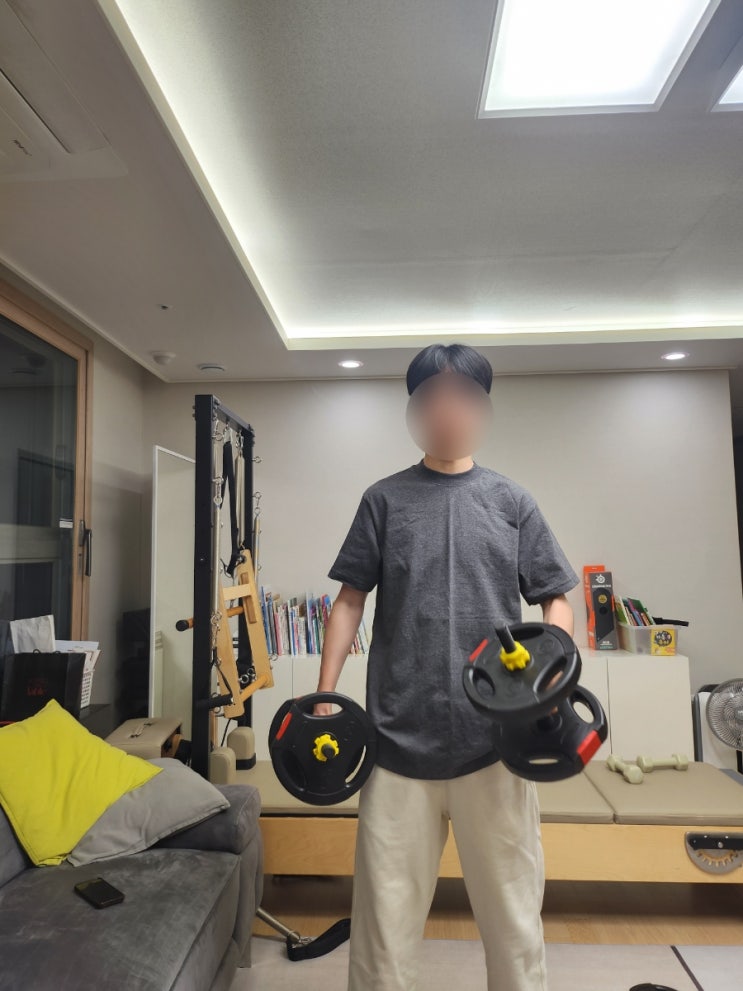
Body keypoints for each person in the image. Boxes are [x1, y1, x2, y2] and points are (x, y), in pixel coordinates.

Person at [316, 343, 579, 991]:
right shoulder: (383, 499)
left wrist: (546, 679)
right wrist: (324, 695)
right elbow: (349, 600)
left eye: (462, 396)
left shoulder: (510, 500)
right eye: (432, 396)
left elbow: (556, 598)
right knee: (383, 928)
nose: (447, 409)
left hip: (494, 744)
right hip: (394, 743)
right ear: (415, 408)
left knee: (513, 921)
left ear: (481, 407)